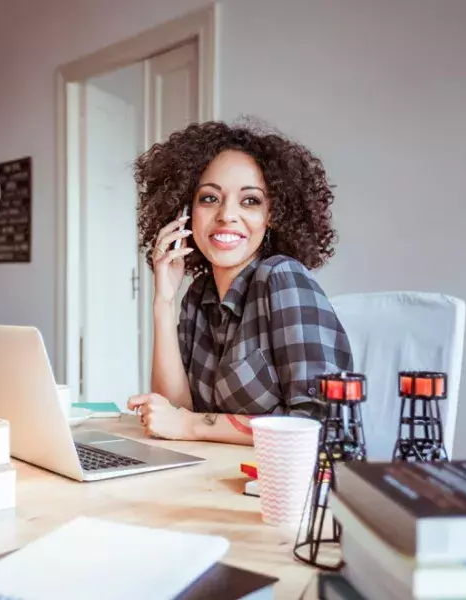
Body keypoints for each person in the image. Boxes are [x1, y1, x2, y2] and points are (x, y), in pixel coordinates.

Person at [126, 119, 353, 446]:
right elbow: (173, 416)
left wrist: (193, 426)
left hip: (286, 487)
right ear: (186, 211)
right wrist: (163, 301)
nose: (226, 215)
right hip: (216, 478)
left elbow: (320, 424)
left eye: (250, 200)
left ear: (272, 214)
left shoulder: (282, 278)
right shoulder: (197, 297)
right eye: (209, 198)